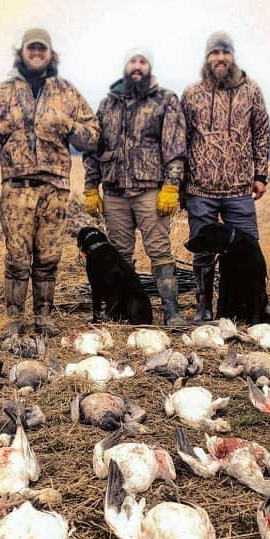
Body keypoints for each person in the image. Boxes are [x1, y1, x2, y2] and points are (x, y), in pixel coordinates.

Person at [0, 28, 99, 335]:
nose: (36, 53)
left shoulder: (67, 92)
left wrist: (69, 125)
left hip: (55, 190)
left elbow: (93, 136)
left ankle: (44, 317)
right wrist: (5, 126)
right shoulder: (2, 93)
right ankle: (14, 319)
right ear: (20, 53)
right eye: (31, 48)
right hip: (17, 187)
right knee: (17, 259)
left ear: (50, 54)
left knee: (48, 258)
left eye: (42, 49)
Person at [83, 47, 188, 328]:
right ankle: (121, 312)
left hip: (150, 190)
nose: (137, 66)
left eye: (143, 61)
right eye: (133, 61)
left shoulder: (165, 101)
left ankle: (172, 312)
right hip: (115, 192)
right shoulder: (107, 104)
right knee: (118, 255)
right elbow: (93, 149)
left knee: (160, 251)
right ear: (125, 67)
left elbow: (175, 148)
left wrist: (171, 186)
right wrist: (91, 187)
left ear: (150, 68)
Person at [179, 31, 270, 324]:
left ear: (233, 56)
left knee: (250, 249)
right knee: (203, 251)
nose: (220, 58)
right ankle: (204, 306)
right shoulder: (191, 93)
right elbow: (180, 139)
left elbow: (261, 132)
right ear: (207, 59)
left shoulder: (251, 90)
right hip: (200, 187)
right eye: (214, 53)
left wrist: (260, 174)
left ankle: (257, 303)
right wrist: (181, 184)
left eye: (225, 52)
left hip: (239, 188)